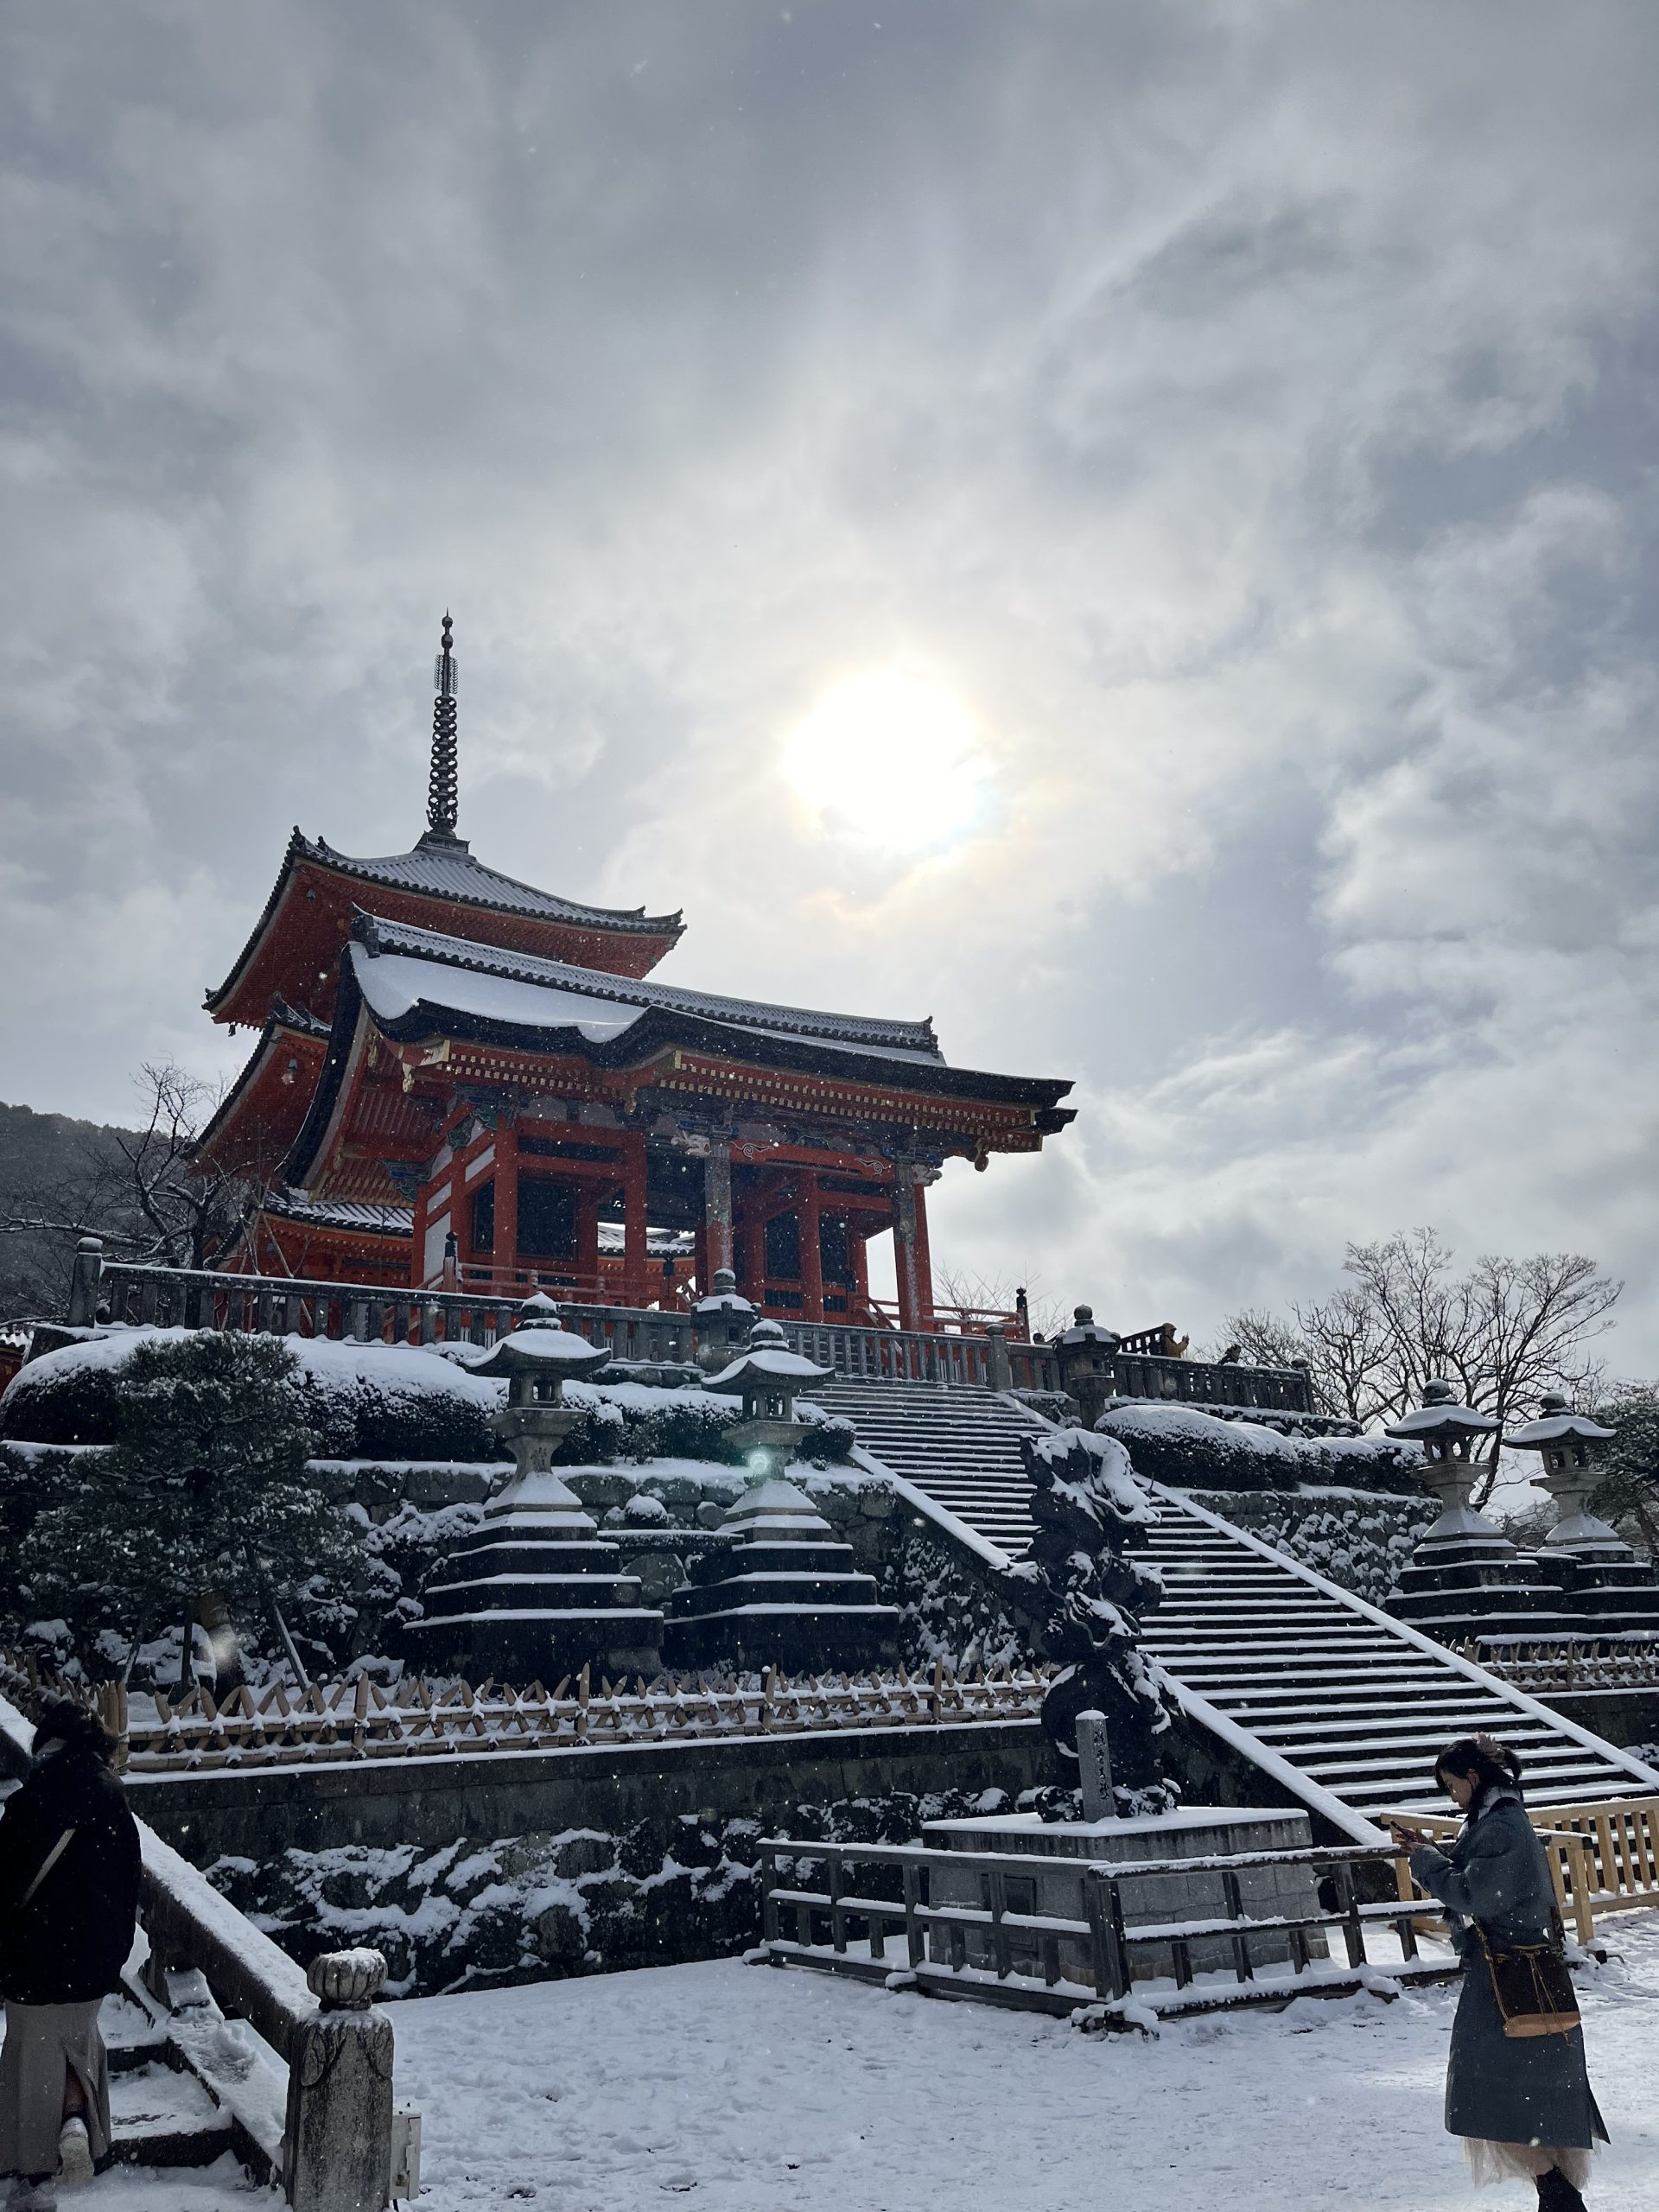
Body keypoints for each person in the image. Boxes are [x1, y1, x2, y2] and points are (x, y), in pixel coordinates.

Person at [1392, 1734, 1606, 2212]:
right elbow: (1481, 1882)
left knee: (1487, 2101)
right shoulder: (1498, 1819)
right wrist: (1432, 1851)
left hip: (1508, 1978)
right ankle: (1555, 2196)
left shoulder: (1502, 1826)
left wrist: (1426, 1861)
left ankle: (1558, 2195)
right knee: (1521, 2098)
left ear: (1473, 1777)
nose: (1452, 1797)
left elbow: (1477, 1897)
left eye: (1453, 1785)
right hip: (1518, 1974)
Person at [0, 1700, 141, 2210]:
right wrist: (110, 1952)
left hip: (31, 1961)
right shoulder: (112, 1799)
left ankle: (33, 2168)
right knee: (74, 2046)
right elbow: (129, 1885)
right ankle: (77, 2122)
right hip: (92, 1963)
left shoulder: (31, 1801)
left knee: (32, 2050)